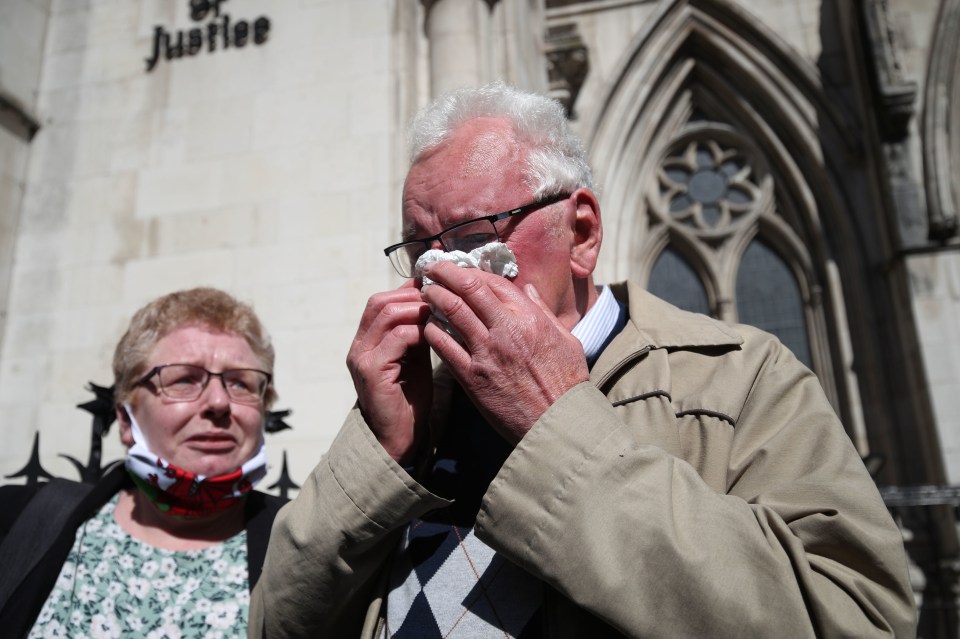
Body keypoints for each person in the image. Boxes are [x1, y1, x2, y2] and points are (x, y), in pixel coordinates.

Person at [250, 82, 915, 637]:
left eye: (474, 236)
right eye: (420, 249)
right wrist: (381, 455)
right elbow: (276, 623)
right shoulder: (419, 403)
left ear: (583, 232)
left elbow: (854, 619)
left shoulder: (740, 376)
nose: (442, 271)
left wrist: (560, 424)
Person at [0, 287, 287, 638]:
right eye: (184, 379)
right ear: (125, 418)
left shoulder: (308, 545)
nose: (218, 402)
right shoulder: (16, 519)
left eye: (240, 383)